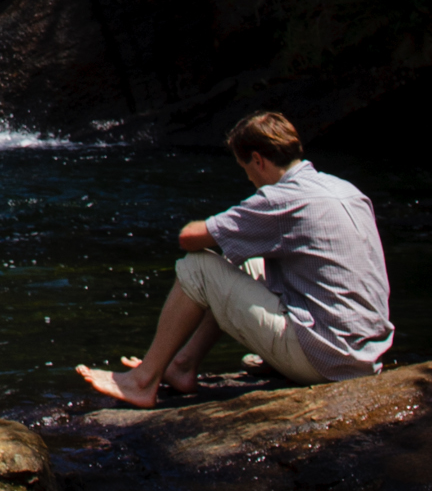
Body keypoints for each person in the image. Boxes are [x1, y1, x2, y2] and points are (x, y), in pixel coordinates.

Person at [78, 110, 392, 406]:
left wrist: (228, 219)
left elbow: (189, 238)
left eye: (245, 169)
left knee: (198, 267)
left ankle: (142, 382)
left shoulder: (280, 199)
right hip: (365, 355)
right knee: (248, 262)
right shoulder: (345, 188)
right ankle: (182, 365)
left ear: (257, 160)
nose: (249, 179)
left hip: (328, 361)